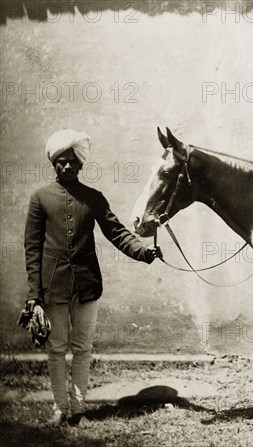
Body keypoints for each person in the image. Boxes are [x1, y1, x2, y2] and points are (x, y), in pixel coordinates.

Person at [24, 129, 161, 426]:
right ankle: (61, 407)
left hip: (87, 286)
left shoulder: (93, 198)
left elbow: (118, 232)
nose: (67, 167)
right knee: (57, 348)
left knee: (83, 348)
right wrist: (35, 294)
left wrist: (143, 252)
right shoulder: (40, 198)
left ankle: (80, 409)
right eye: (61, 162)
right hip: (53, 287)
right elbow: (32, 248)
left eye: (73, 162)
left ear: (81, 165)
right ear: (54, 164)